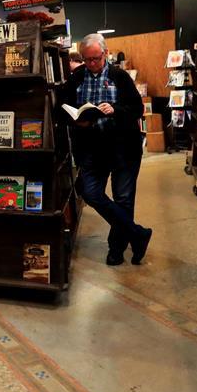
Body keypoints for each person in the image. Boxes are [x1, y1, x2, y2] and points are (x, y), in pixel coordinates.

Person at [61, 33, 152, 266]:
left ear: (105, 53)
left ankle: (116, 249)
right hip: (92, 149)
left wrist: (115, 110)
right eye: (87, 59)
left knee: (123, 199)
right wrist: (76, 120)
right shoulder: (77, 77)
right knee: (90, 193)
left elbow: (137, 108)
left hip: (123, 148)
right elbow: (62, 107)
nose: (92, 63)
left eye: (96, 58)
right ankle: (137, 234)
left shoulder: (119, 76)